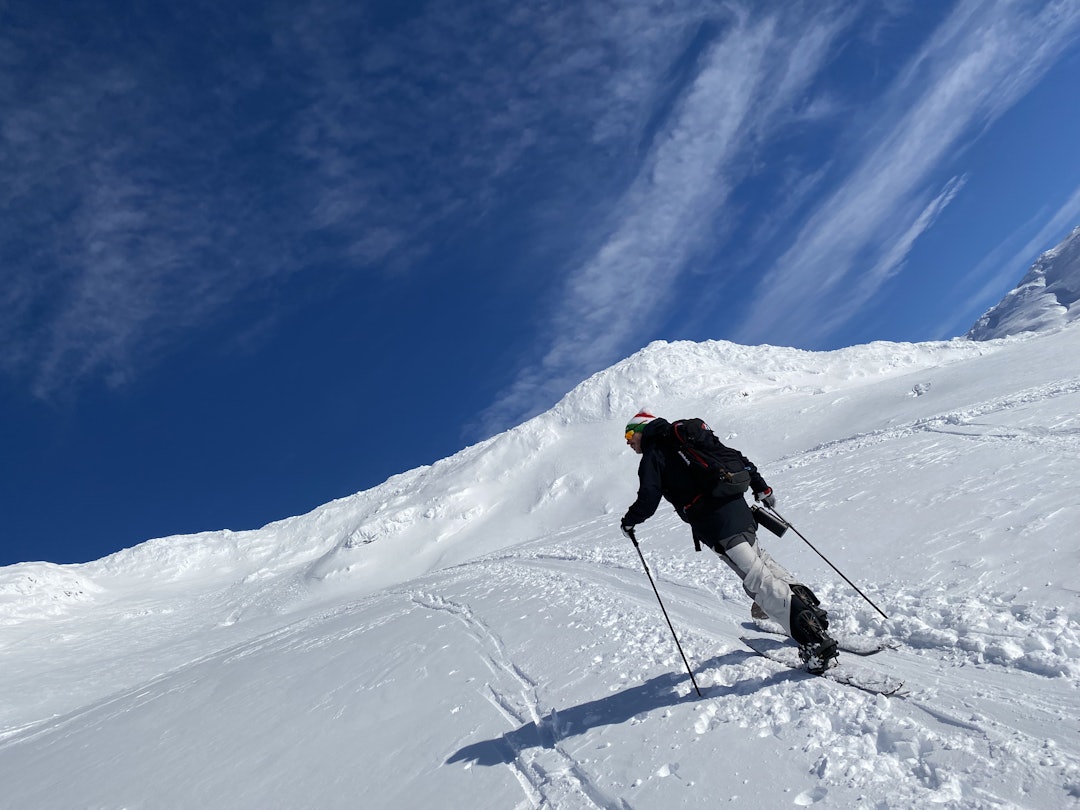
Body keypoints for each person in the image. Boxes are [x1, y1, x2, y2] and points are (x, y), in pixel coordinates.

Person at [619, 411, 838, 673]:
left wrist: (629, 522)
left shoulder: (656, 453)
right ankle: (810, 612)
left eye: (630, 435)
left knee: (757, 579)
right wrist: (761, 487)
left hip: (716, 523)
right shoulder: (690, 439)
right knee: (764, 564)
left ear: (643, 430)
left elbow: (648, 498)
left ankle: (812, 639)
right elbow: (737, 458)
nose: (629, 443)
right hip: (741, 513)